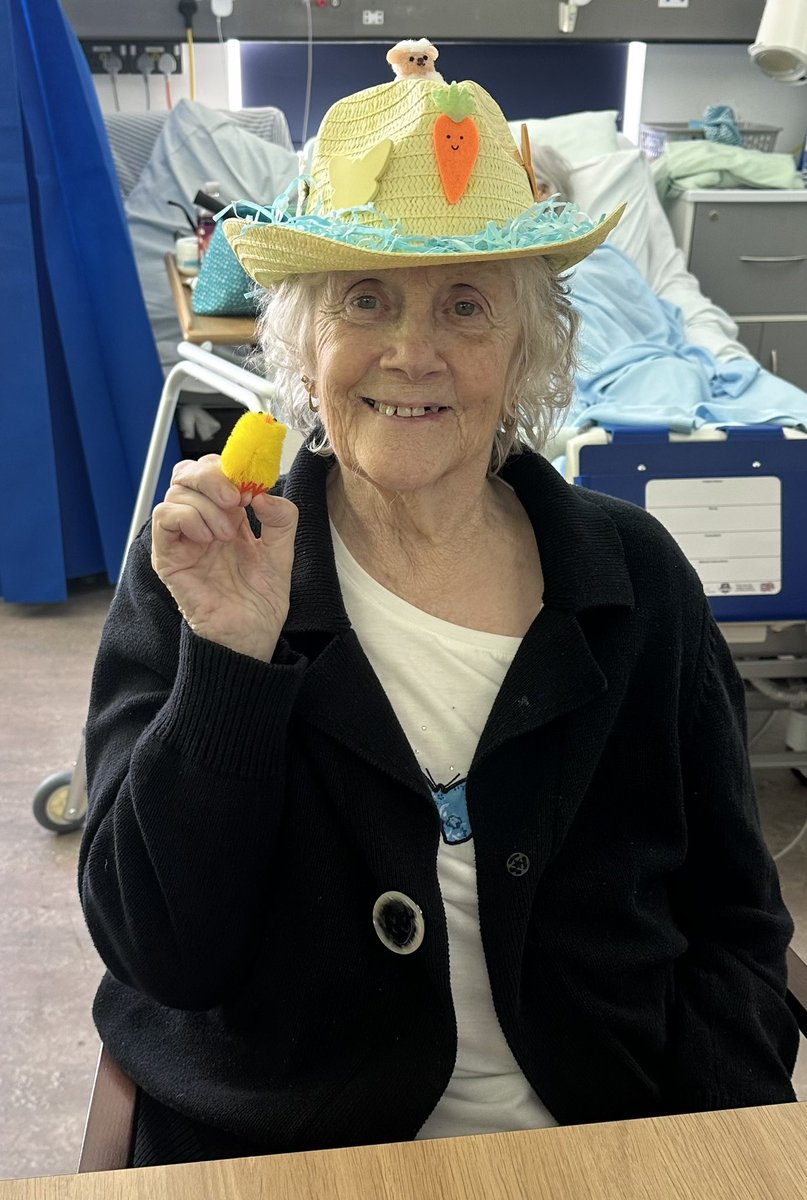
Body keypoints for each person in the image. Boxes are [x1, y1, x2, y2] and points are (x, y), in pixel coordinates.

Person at [78, 42, 798, 1169]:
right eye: (365, 299)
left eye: (465, 306)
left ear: (526, 350)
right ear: (304, 341)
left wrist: (714, 1149)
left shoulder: (638, 581)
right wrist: (229, 664)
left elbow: (734, 922)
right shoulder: (201, 573)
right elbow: (162, 953)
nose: (412, 353)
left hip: (603, 1136)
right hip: (292, 1153)